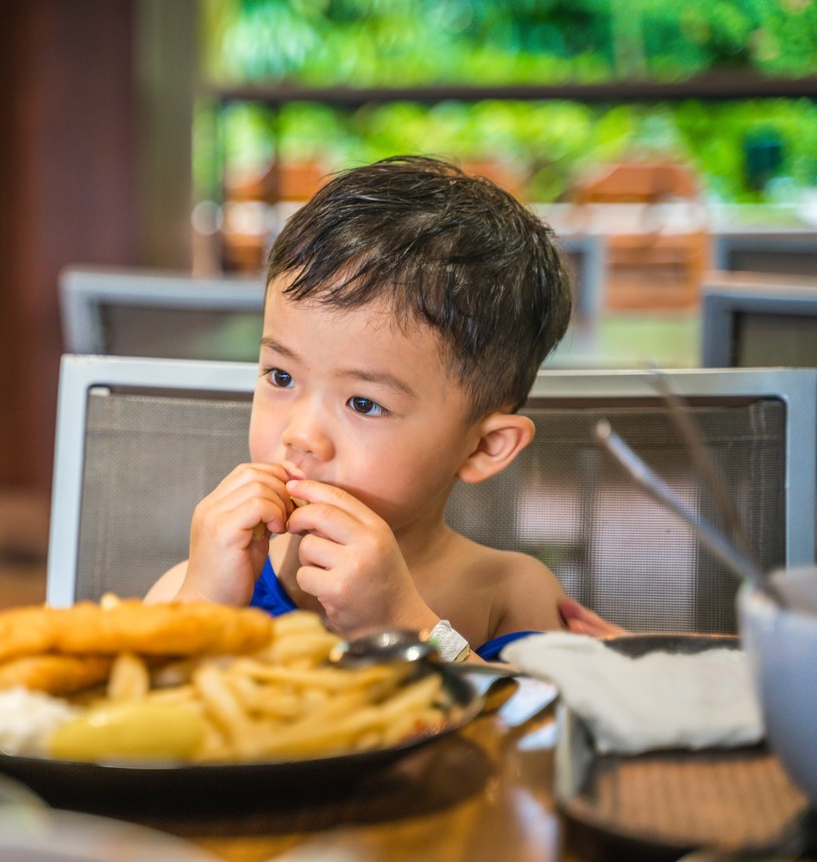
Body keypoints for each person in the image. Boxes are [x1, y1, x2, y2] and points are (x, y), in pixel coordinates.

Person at [147, 156, 575, 663]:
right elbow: (120, 730)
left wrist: (406, 626)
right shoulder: (207, 579)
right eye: (281, 376)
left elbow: (528, 734)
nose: (301, 435)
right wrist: (202, 612)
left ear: (483, 447)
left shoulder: (509, 593)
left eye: (364, 403)